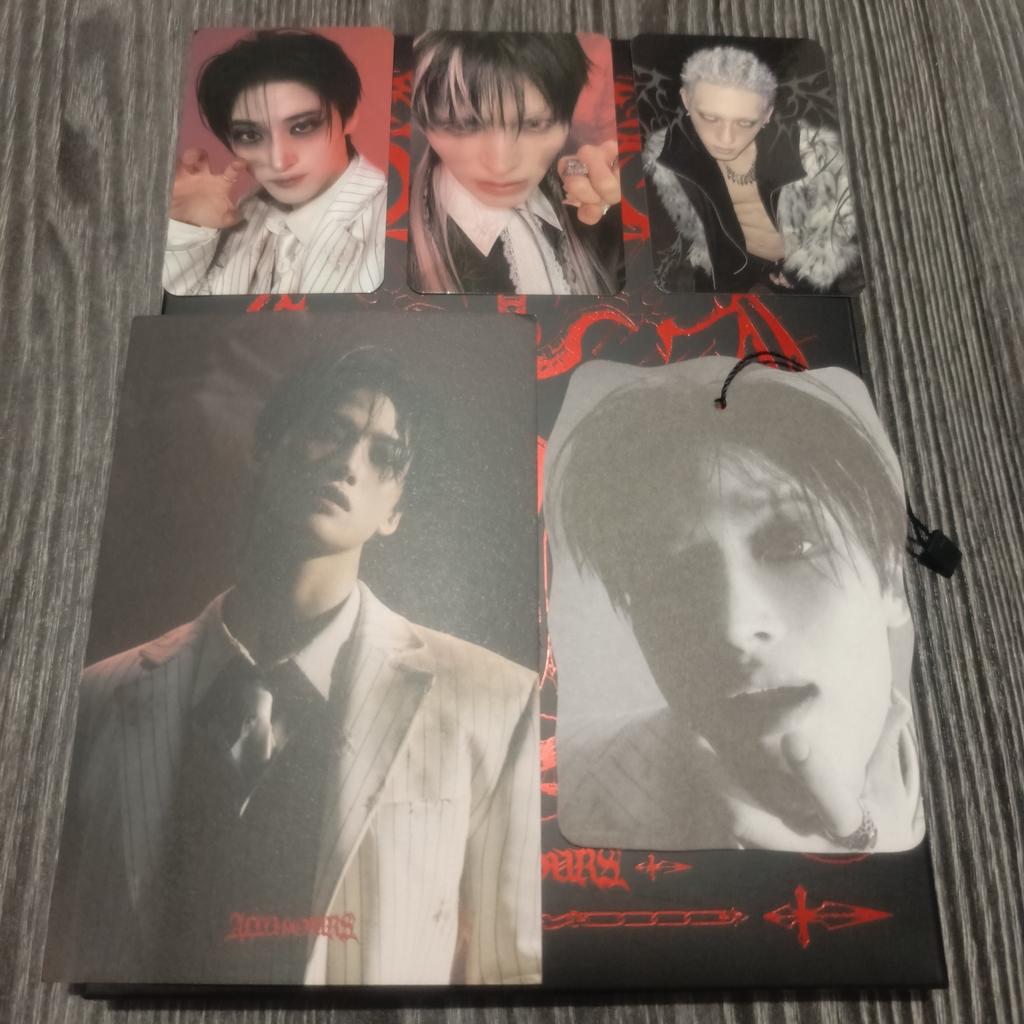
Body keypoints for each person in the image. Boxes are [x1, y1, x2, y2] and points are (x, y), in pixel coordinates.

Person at [45, 347, 541, 985]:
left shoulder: (497, 702)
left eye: (384, 456)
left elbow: (511, 975)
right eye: (330, 431)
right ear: (266, 447)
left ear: (395, 512)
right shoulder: (95, 698)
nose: (349, 464)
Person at [544, 356, 924, 853]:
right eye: (674, 575)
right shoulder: (552, 790)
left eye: (793, 545)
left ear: (891, 579)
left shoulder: (980, 751)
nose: (734, 625)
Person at [163, 30, 387, 296]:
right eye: (250, 135)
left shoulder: (392, 226)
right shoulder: (248, 209)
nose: (279, 162)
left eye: (302, 127)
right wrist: (188, 228)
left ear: (349, 117)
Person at [409, 31, 623, 295]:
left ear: (567, 121)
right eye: (464, 125)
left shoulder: (589, 200)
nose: (501, 166)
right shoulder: (388, 238)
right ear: (424, 123)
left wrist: (620, 207)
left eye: (535, 124)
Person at [642, 45, 861, 293]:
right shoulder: (669, 156)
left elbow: (842, 224)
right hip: (733, 275)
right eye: (710, 118)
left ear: (767, 115)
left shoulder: (808, 153)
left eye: (745, 123)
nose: (726, 138)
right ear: (686, 100)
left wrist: (801, 271)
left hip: (806, 272)